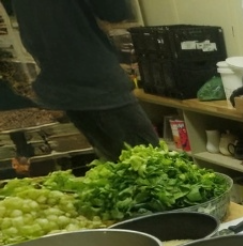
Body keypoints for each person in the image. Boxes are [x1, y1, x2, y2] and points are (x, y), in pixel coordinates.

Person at [11, 0, 160, 161]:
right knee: (148, 163)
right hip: (96, 83)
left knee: (114, 164)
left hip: (57, 85)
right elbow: (116, 12)